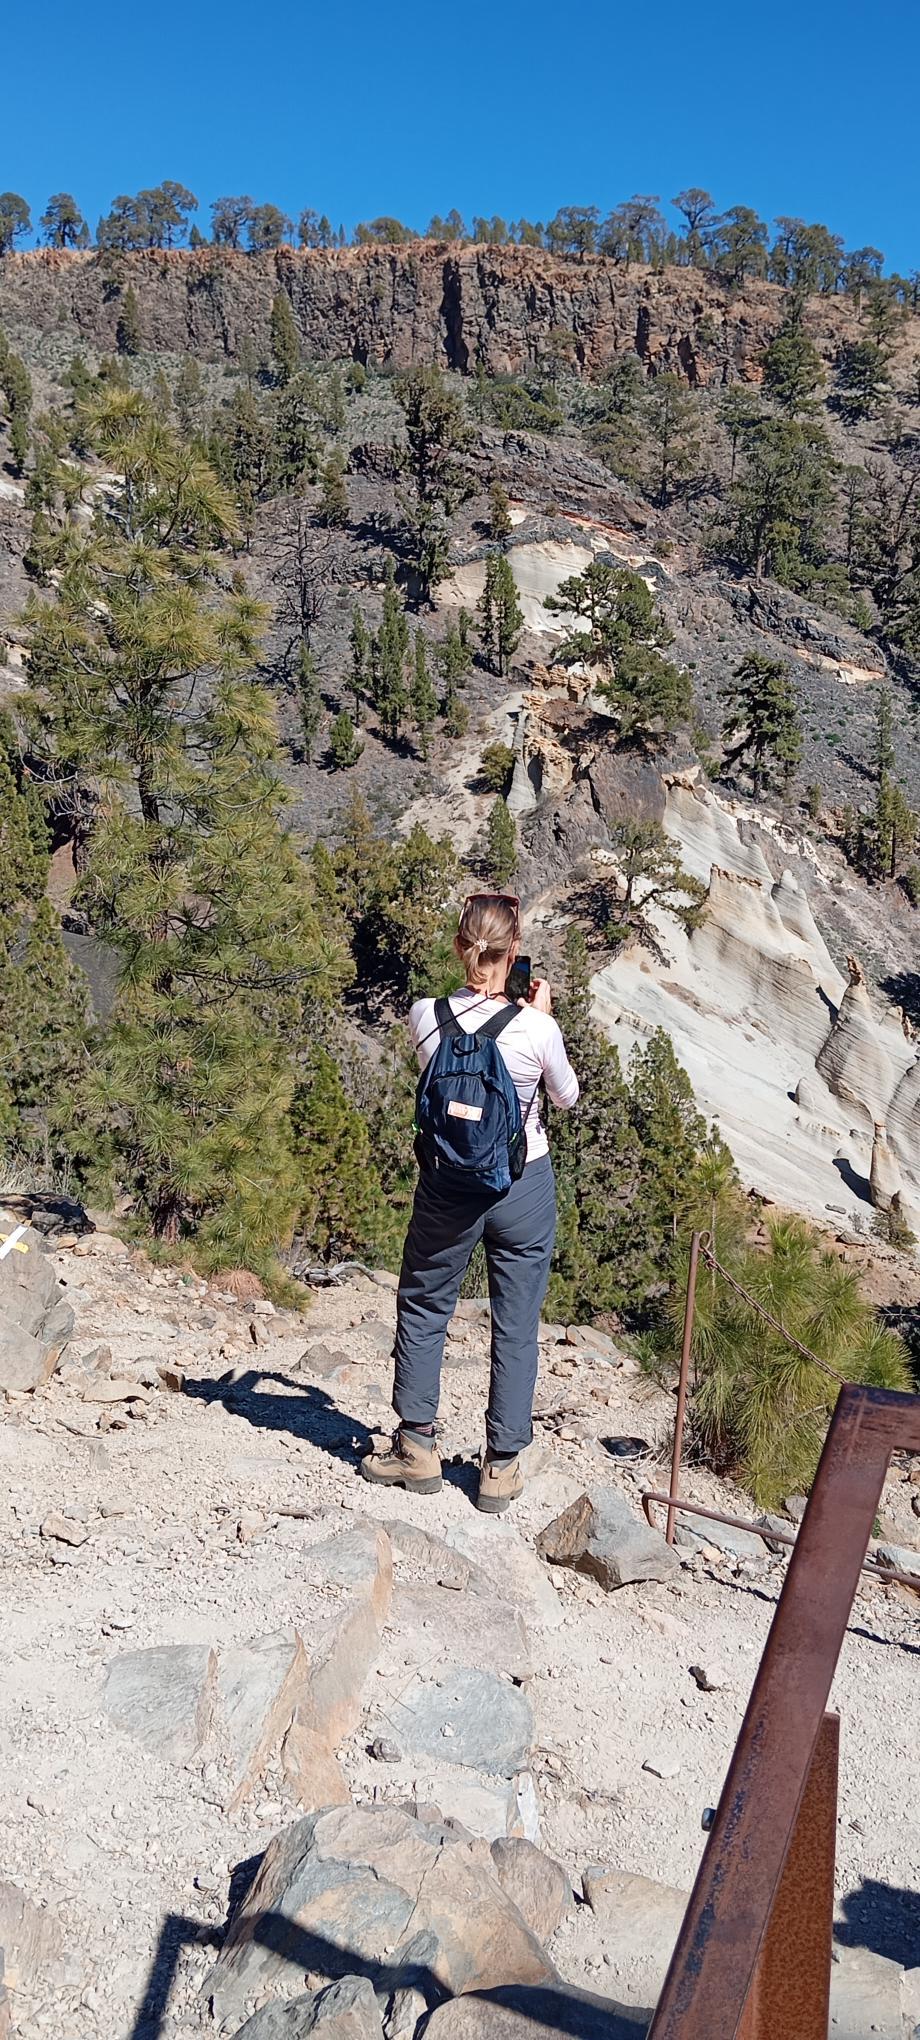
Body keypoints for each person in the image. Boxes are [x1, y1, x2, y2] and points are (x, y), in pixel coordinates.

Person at [361, 891, 579, 1513]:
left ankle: (417, 1447)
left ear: (460, 949)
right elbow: (566, 1098)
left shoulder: (424, 1015)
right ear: (514, 956)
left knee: (427, 1304)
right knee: (515, 1321)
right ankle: (501, 1466)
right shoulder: (536, 1028)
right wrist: (538, 1014)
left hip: (447, 1184)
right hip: (521, 1184)